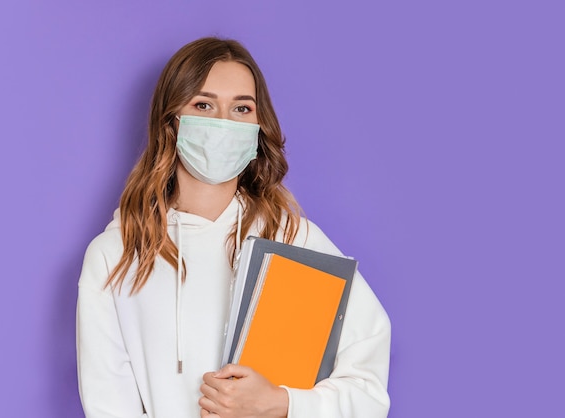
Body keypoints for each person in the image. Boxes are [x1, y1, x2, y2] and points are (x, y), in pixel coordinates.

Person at [76, 37, 391, 418]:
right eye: (204, 105)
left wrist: (282, 403)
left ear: (259, 125)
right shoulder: (117, 256)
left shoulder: (295, 239)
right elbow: (109, 408)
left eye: (242, 108)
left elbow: (368, 394)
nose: (224, 123)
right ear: (171, 121)